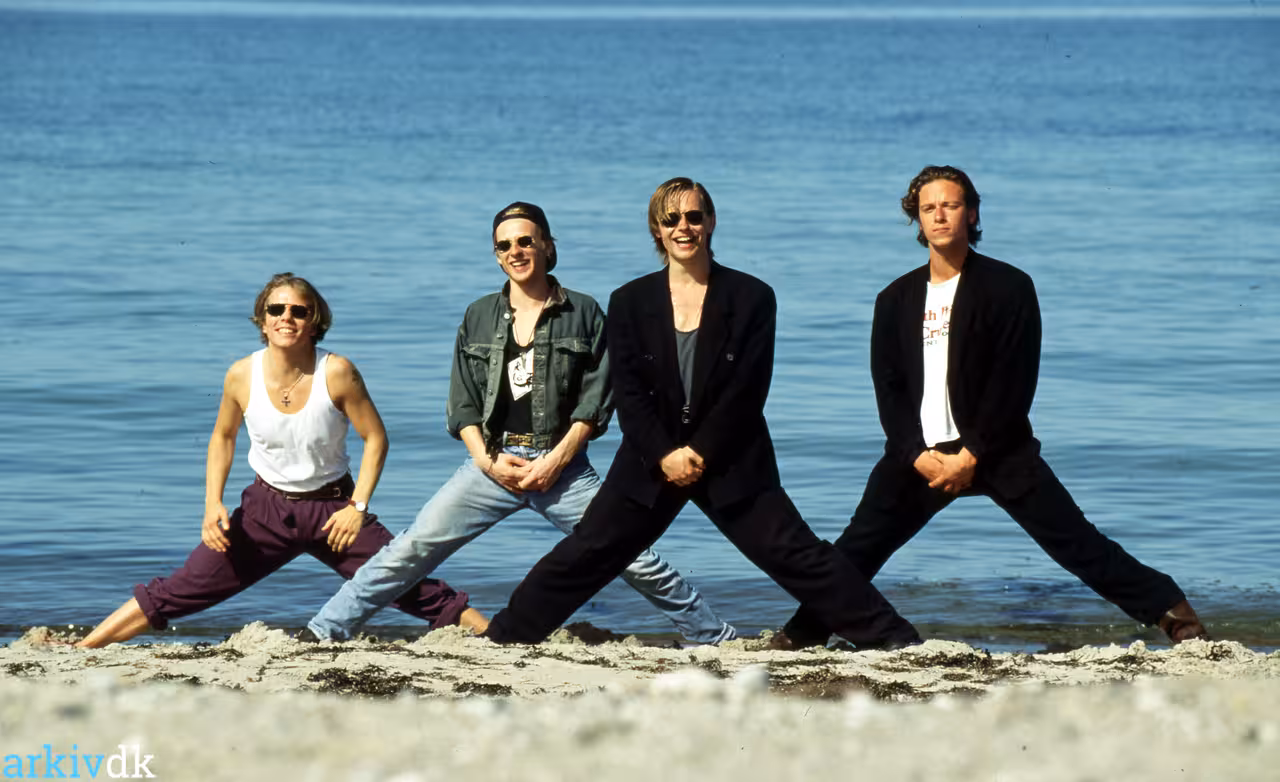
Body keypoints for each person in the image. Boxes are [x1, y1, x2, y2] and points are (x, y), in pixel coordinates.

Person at [772, 165, 1208, 650]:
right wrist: (913, 452)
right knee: (859, 546)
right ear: (918, 220)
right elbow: (888, 388)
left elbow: (1014, 381)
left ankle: (1175, 615)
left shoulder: (1009, 286)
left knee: (1075, 542)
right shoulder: (894, 299)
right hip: (921, 455)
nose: (940, 216)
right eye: (928, 208)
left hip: (998, 450)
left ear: (972, 213)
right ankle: (802, 634)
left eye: (951, 205)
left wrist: (973, 453)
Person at [482, 178, 922, 648]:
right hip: (652, 460)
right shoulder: (629, 300)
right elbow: (629, 394)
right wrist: (665, 454)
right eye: (671, 219)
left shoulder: (752, 296)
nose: (683, 227)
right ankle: (505, 637)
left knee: (794, 553)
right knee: (589, 551)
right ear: (656, 229)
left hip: (732, 457)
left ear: (710, 222)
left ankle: (894, 639)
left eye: (693, 217)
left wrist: (700, 451)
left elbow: (747, 391)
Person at [301, 202, 735, 644]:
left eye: (526, 241)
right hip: (492, 464)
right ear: (496, 255)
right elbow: (462, 404)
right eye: (504, 246)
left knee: (632, 554)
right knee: (412, 548)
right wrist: (487, 462)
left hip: (562, 468)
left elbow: (598, 400)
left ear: (546, 245)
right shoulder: (479, 315)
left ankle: (712, 634)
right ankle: (325, 630)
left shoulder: (583, 312)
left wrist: (555, 461)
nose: (516, 252)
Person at [77, 273, 482, 648]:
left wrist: (358, 507)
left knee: (407, 582)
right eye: (276, 309)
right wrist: (212, 503)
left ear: (314, 321)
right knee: (182, 589)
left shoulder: (337, 372)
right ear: (263, 318)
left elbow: (375, 438)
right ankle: (84, 648)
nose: (286, 317)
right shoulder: (241, 374)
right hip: (264, 513)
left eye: (298, 311)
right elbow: (222, 436)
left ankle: (497, 640)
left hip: (334, 512)